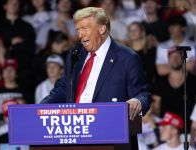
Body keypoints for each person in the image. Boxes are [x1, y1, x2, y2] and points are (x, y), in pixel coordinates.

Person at [41, 7, 151, 150]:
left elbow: (143, 94)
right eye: (78, 30)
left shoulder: (127, 58)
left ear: (102, 29)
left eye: (85, 28)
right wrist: (39, 109)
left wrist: (137, 101)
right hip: (76, 137)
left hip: (112, 138)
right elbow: (63, 87)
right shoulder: (76, 55)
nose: (80, 35)